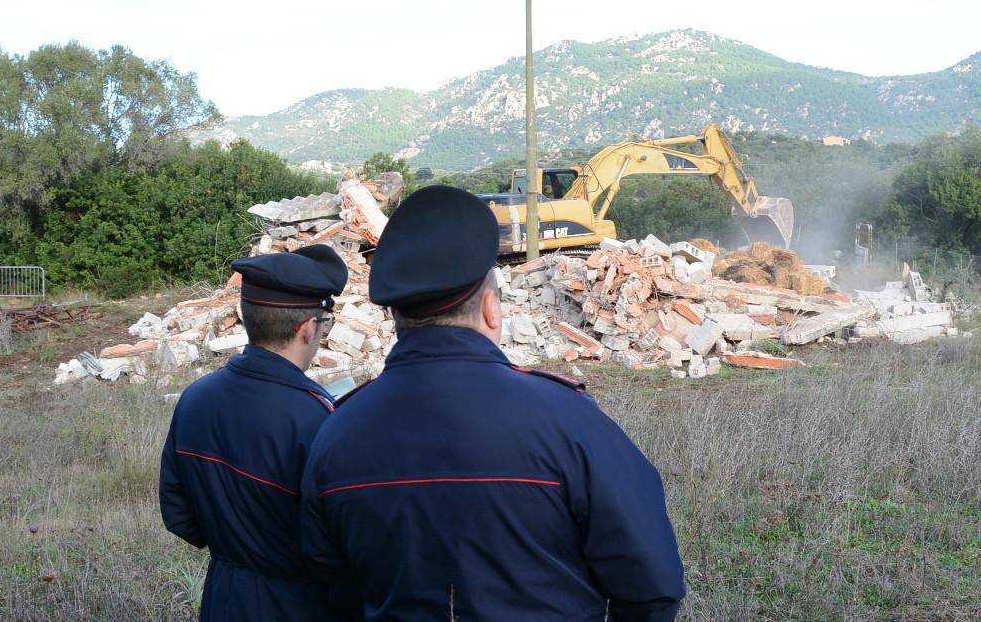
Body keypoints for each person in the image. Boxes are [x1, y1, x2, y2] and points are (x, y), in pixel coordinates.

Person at [301, 186, 685, 621]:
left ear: (394, 317)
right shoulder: (569, 421)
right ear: (492, 310)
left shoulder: (335, 434)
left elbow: (331, 588)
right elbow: (652, 586)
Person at [160, 245, 353, 622]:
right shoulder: (320, 419)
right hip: (301, 606)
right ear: (309, 327)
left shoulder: (196, 398)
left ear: (246, 317)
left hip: (224, 599)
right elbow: (340, 545)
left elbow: (179, 515)